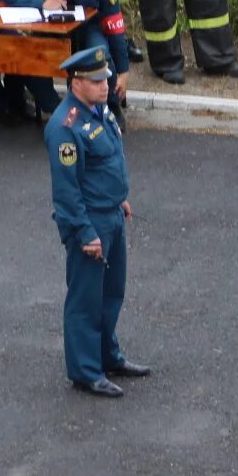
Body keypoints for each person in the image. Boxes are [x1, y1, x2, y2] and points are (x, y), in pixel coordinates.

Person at [45, 46, 148, 398]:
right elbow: (66, 190)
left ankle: (108, 356)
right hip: (90, 224)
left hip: (112, 214)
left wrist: (119, 197)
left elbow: (106, 162)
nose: (105, 85)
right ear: (76, 83)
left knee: (111, 293)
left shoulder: (98, 111)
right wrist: (85, 232)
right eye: (96, 80)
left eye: (105, 78)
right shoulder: (65, 127)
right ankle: (86, 371)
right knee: (86, 299)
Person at [11, 0, 132, 111]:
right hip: (49, 25)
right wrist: (40, 2)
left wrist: (124, 71)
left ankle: (110, 109)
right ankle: (55, 108)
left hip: (87, 26)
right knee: (32, 56)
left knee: (101, 54)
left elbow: (115, 27)